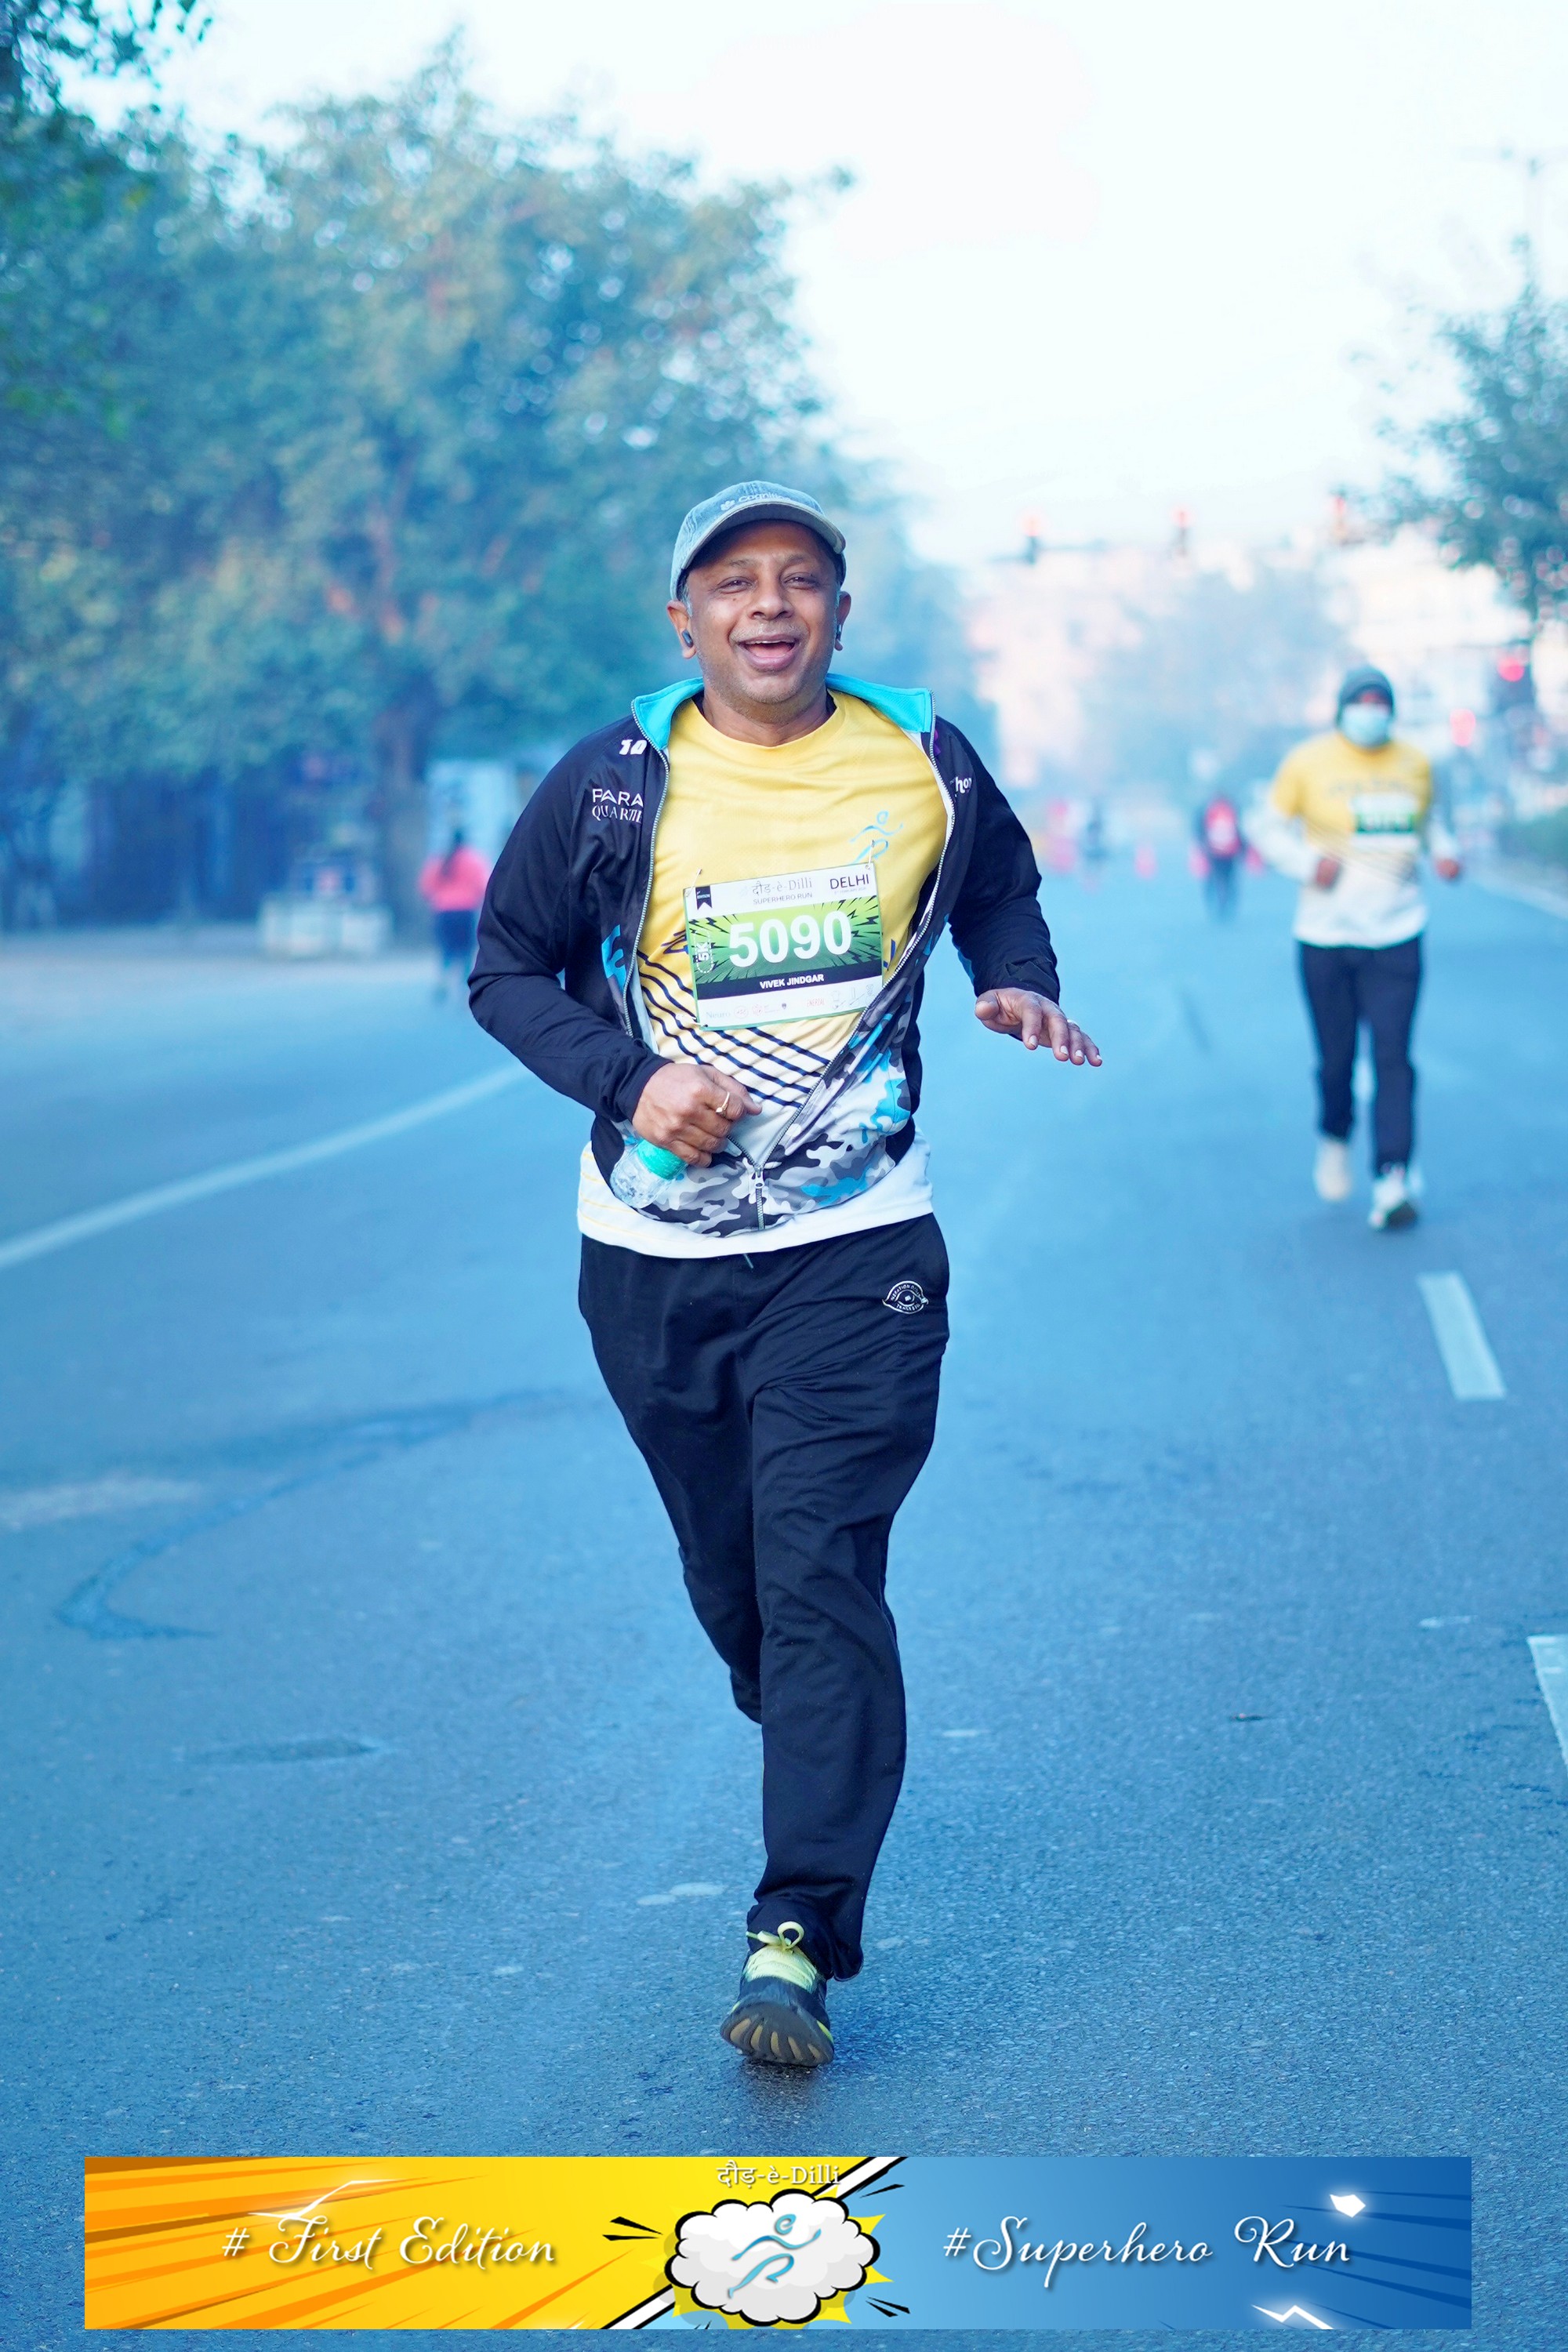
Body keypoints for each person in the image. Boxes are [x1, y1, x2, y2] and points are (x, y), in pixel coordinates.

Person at [469, 481, 1099, 2067]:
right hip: (653, 1259)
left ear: (838, 612)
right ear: (684, 622)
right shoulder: (612, 783)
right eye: (735, 581)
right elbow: (507, 971)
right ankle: (813, 1706)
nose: (770, 603)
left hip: (859, 1244)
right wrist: (628, 1080)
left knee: (820, 1570)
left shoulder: (922, 755)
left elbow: (999, 884)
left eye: (801, 578)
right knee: (740, 1583)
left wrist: (1016, 979)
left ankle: (795, 1936)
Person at [1248, 664, 1461, 1230]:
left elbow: (1430, 823)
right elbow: (1267, 828)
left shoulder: (1416, 762)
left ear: (1392, 709)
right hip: (1326, 936)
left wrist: (1445, 853)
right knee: (1337, 1059)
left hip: (1398, 930)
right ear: (1342, 709)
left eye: (1380, 702)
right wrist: (1304, 863)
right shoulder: (1307, 761)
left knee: (1393, 1056)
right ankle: (1335, 1135)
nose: (1371, 711)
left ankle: (1393, 1177)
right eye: (1361, 702)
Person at [419, 828, 492, 1001]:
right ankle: (463, 988)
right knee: (466, 951)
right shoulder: (474, 860)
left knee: (447, 950)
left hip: (443, 911)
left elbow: (426, 886)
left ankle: (443, 982)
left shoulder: (440, 860)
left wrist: (438, 899)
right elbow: (484, 886)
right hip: (465, 911)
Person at [1194, 789, 1243, 918]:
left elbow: (1201, 829)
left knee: (1215, 879)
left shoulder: (1210, 810)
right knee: (1227, 880)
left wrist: (1202, 844)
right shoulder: (1231, 810)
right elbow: (1239, 830)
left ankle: (1216, 902)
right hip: (1228, 851)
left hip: (1216, 851)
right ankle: (1224, 903)